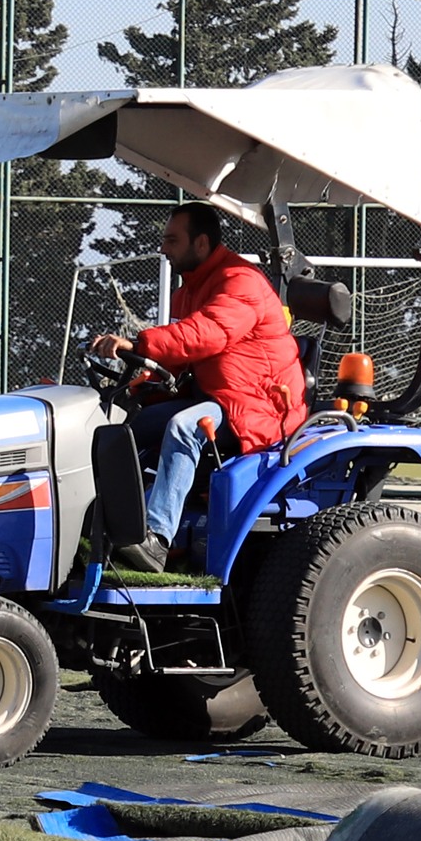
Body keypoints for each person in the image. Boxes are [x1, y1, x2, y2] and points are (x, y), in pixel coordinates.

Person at [88, 203, 307, 572]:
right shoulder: (187, 291)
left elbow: (206, 334)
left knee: (184, 427)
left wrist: (138, 343)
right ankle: (104, 523)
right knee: (128, 426)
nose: (163, 249)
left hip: (255, 407)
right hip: (215, 397)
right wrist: (137, 378)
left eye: (172, 240)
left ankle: (155, 540)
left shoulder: (241, 282)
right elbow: (176, 356)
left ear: (202, 243)